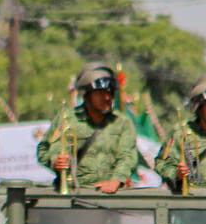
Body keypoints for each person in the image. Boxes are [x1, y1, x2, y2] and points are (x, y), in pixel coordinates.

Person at [36, 63, 138, 192]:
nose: (107, 97)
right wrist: (56, 161)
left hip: (110, 196)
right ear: (87, 94)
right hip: (74, 194)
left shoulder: (122, 122)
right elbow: (46, 150)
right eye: (100, 93)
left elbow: (128, 156)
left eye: (110, 93)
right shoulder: (67, 118)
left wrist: (116, 180)